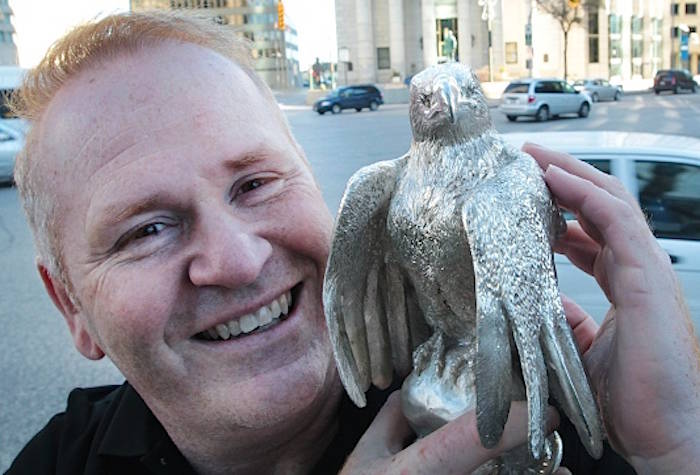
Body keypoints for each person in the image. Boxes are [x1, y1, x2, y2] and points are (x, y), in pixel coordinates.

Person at [5, 10, 700, 475]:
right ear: (71, 306)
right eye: (146, 229)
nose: (239, 260)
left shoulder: (530, 410)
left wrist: (672, 449)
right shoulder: (55, 462)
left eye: (254, 184)